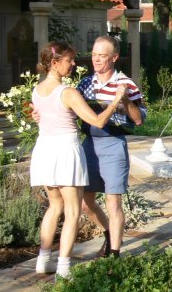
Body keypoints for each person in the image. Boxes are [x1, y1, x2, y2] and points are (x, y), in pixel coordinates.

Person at [31, 41, 127, 278]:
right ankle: (64, 268)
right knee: (73, 211)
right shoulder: (68, 93)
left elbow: (42, 115)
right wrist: (116, 101)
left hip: (44, 149)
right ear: (55, 63)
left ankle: (43, 261)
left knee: (54, 207)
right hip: (65, 151)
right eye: (69, 60)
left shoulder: (37, 90)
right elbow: (98, 121)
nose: (74, 64)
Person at [75, 35, 146, 259]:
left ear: (114, 58)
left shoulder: (126, 84)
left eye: (102, 56)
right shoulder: (85, 84)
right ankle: (109, 234)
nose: (96, 59)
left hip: (113, 144)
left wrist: (124, 100)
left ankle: (114, 255)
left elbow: (139, 120)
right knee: (85, 203)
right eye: (94, 55)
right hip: (89, 144)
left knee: (113, 202)